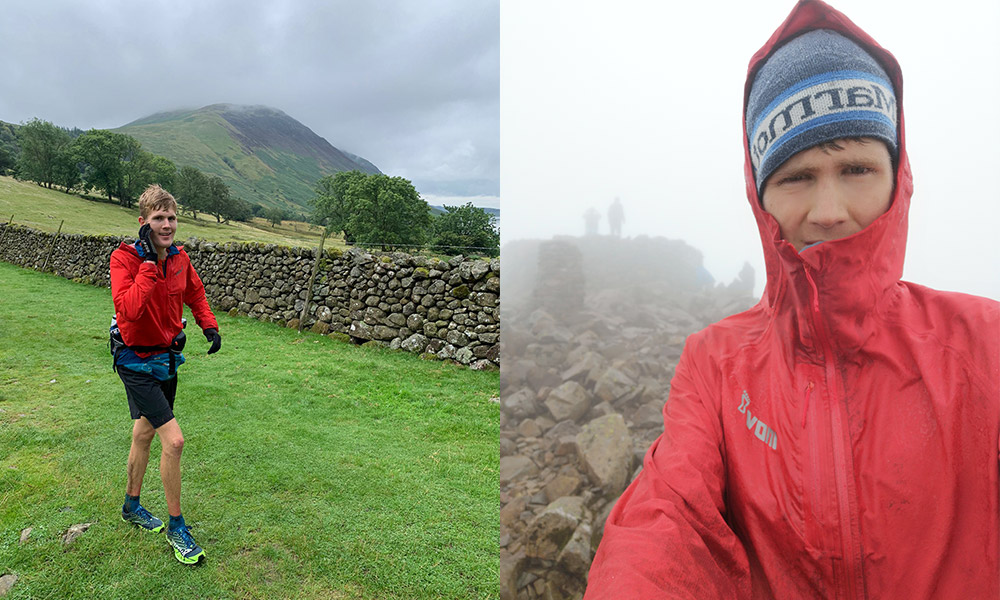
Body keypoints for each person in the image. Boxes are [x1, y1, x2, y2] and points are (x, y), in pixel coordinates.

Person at [584, 1, 999, 598]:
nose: (830, 213)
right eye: (795, 177)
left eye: (856, 168)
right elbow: (668, 517)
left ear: (897, 177)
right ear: (761, 196)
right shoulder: (714, 363)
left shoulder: (985, 343)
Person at [111, 184, 222, 565]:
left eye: (172, 217)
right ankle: (177, 527)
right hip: (134, 360)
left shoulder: (179, 258)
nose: (167, 224)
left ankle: (131, 506)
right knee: (173, 442)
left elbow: (195, 294)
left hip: (166, 360)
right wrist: (146, 264)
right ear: (143, 222)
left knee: (143, 434)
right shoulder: (124, 259)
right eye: (159, 218)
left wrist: (209, 325)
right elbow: (129, 311)